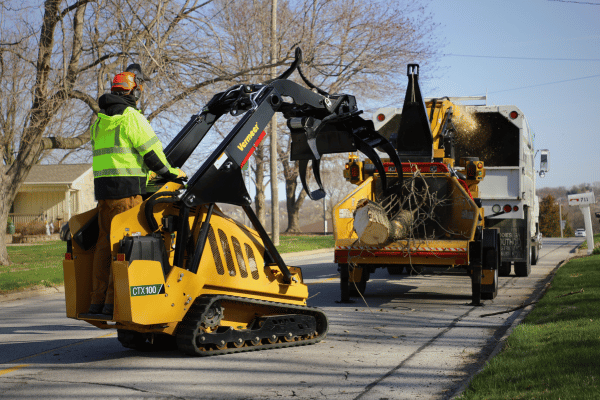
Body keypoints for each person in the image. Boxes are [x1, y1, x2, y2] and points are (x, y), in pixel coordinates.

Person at [88, 64, 185, 315]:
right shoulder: (132, 117)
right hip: (127, 193)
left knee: (103, 245)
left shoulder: (98, 121)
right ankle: (113, 303)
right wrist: (171, 173)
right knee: (122, 246)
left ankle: (97, 301)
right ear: (134, 92)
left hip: (104, 194)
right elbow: (152, 154)